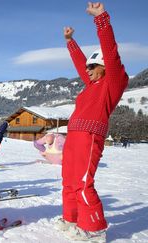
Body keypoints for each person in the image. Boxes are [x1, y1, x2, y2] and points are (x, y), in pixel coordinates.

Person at [57, 2, 129, 242]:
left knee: (83, 182)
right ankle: (72, 219)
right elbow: (80, 63)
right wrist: (70, 42)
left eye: (92, 67)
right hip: (74, 136)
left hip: (89, 137)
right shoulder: (92, 85)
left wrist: (101, 19)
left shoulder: (113, 83)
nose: (87, 71)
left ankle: (94, 229)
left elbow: (110, 51)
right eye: (87, 67)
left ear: (105, 68)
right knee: (68, 180)